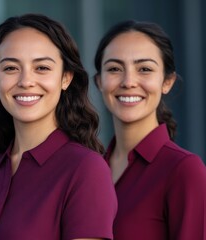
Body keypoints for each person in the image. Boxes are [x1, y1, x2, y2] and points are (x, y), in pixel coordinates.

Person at [0, 13, 117, 240]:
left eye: (41, 68)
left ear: (66, 78)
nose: (25, 81)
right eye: (11, 68)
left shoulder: (85, 170)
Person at [93, 20, 206, 240]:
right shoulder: (92, 168)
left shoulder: (184, 170)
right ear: (99, 81)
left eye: (144, 69)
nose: (128, 81)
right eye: (115, 69)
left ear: (167, 82)